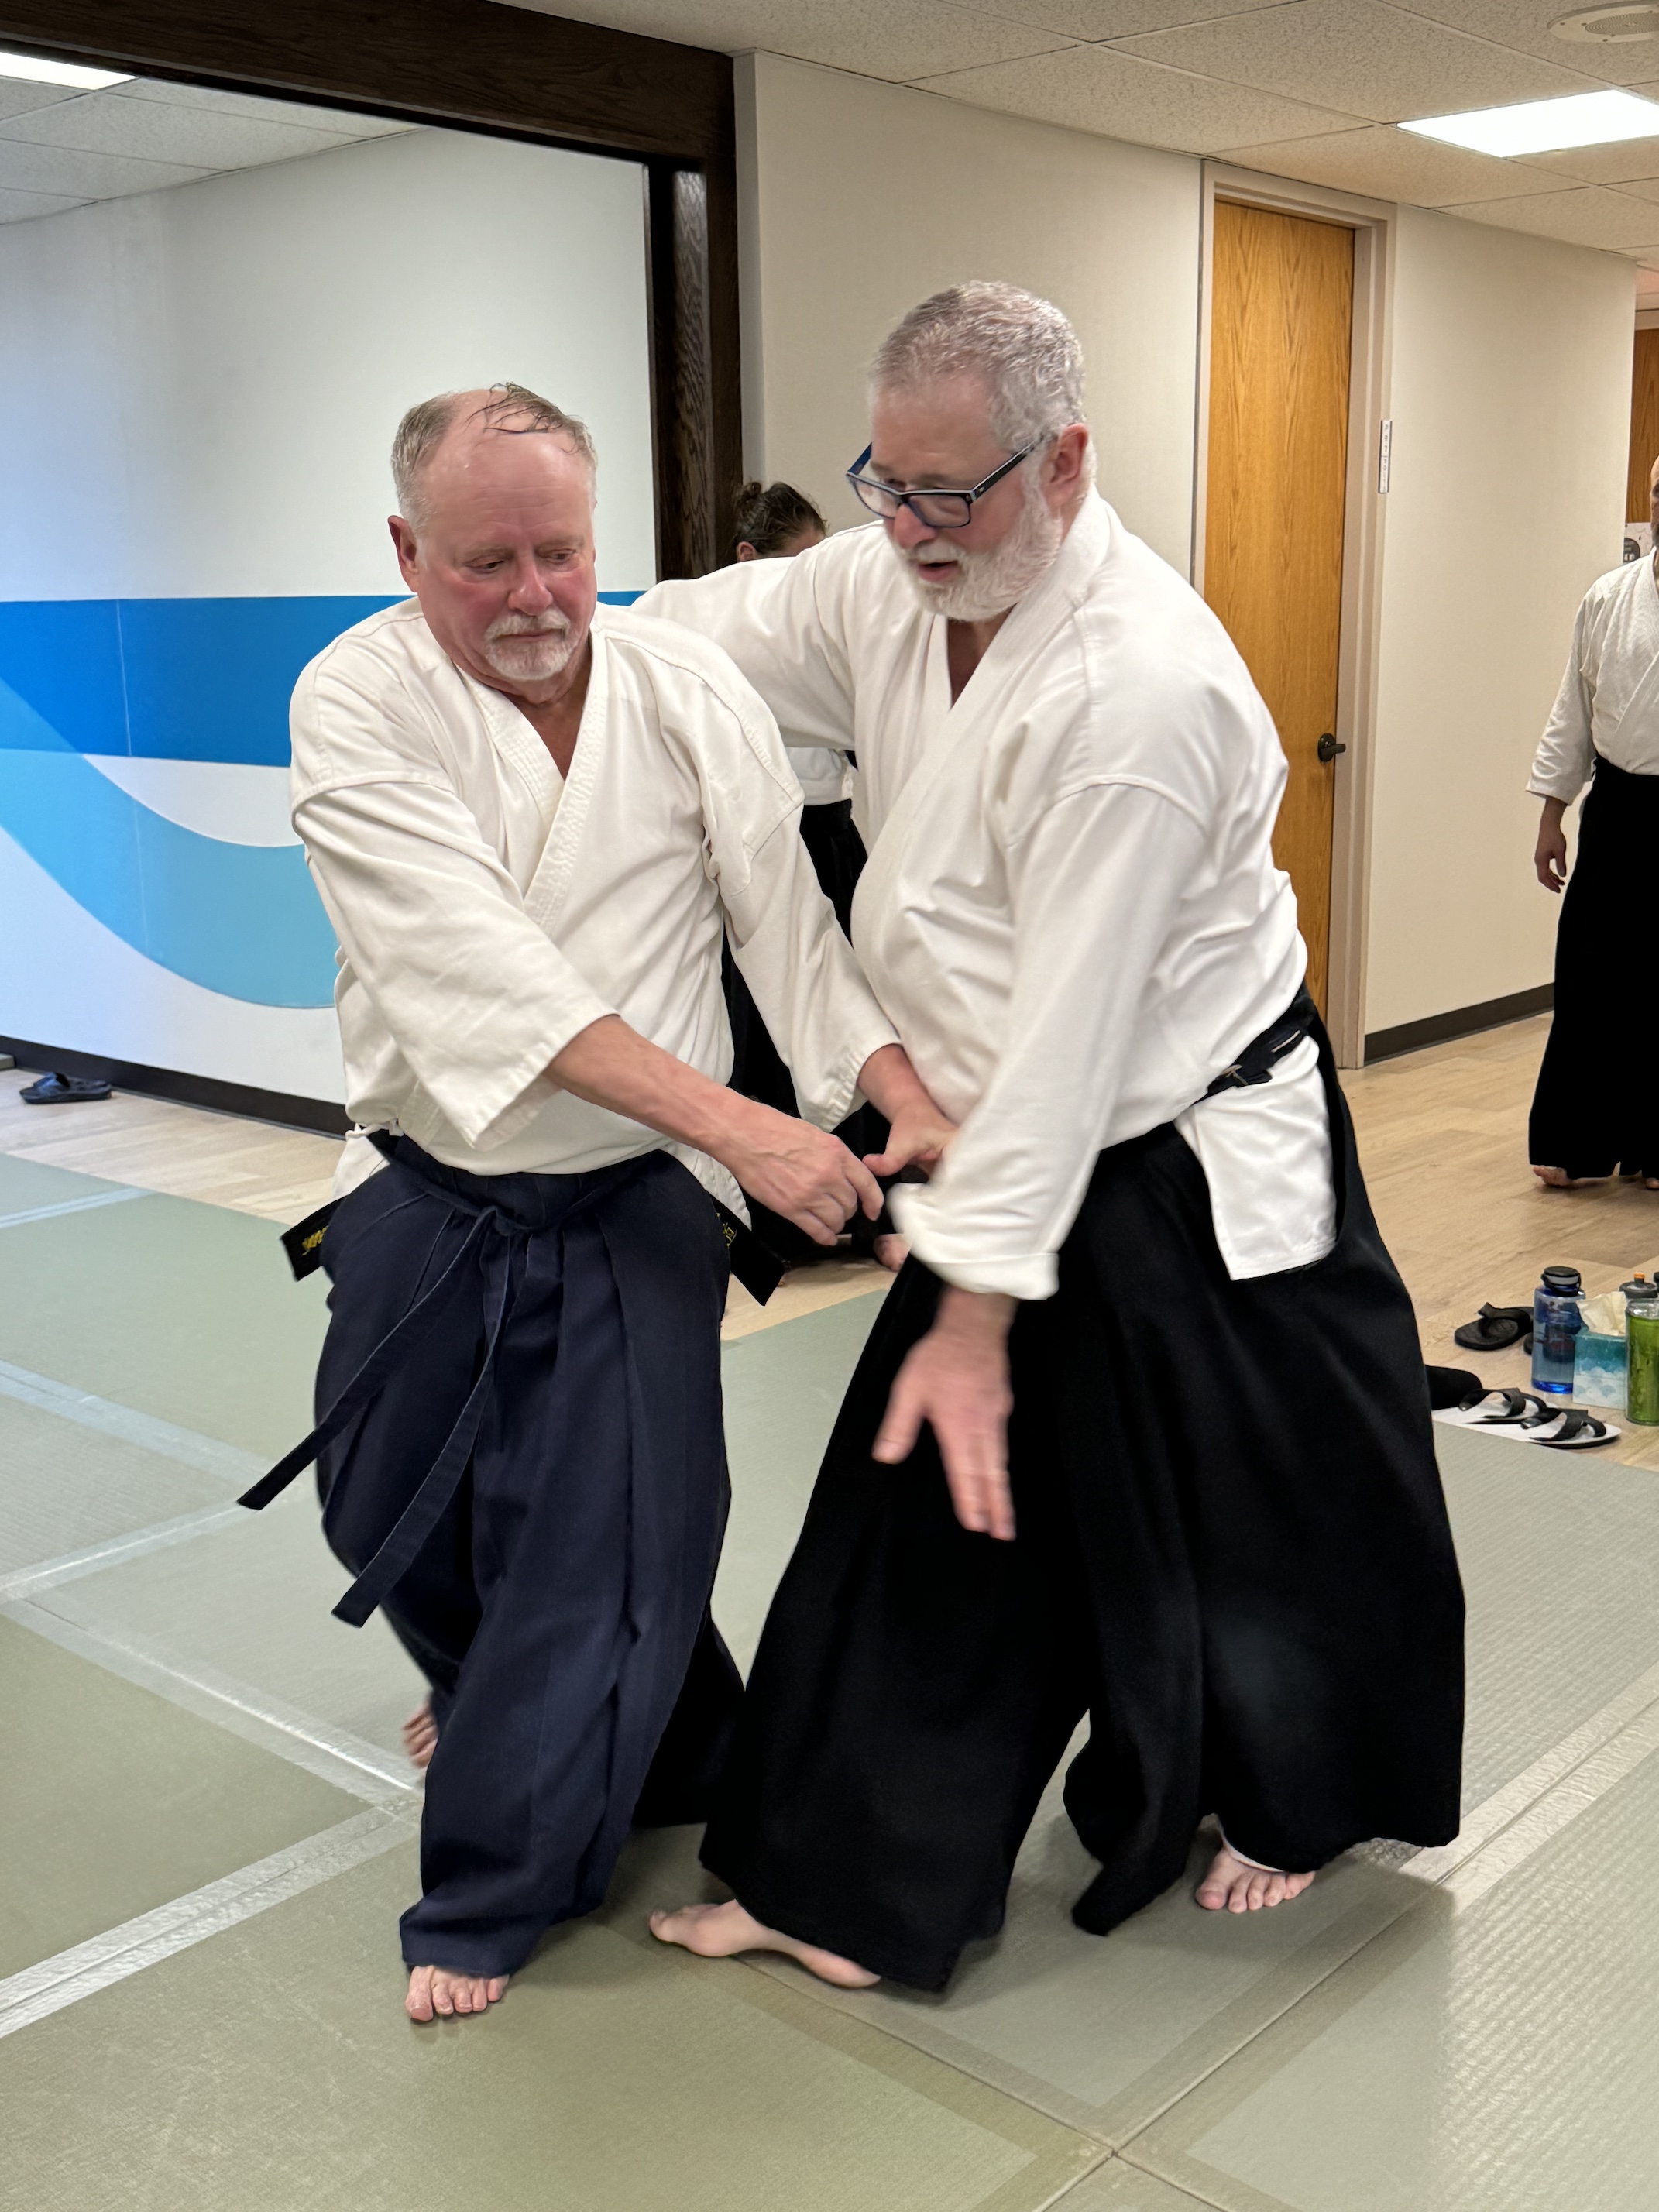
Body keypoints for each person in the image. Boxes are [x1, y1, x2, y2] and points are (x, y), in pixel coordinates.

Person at [641, 285, 1465, 1993]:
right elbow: (719, 625)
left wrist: (971, 1311)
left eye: (957, 493)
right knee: (931, 1496)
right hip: (989, 1112)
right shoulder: (885, 577)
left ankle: (1301, 1799)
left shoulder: (1141, 694)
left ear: (1067, 460)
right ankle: (844, 1883)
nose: (915, 531)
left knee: (1291, 1494)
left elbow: (1080, 1049)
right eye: (888, 482)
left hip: (1189, 1128)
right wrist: (560, 621)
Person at [240, 383, 950, 2022]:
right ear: (408, 552)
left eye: (563, 552)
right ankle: (613, 1724)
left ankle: (498, 1885)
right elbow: (486, 982)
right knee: (381, 1506)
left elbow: (786, 923)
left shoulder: (682, 682)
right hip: (432, 1180)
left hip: (636, 1196)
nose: (537, 596)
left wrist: (881, 1081)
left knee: (614, 1553)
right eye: (487, 561)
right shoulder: (357, 702)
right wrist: (759, 1134)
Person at [723, 480, 905, 1271]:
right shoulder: (720, 649)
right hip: (766, 840)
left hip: (835, 838)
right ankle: (781, 1218)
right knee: (766, 1036)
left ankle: (877, 1204)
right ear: (749, 566)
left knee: (861, 1012)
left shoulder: (835, 640)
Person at [1527, 452, 1659, 1190]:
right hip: (1615, 805)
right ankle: (1576, 1140)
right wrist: (1553, 817)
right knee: (1589, 971)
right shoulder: (1609, 598)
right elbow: (1571, 717)